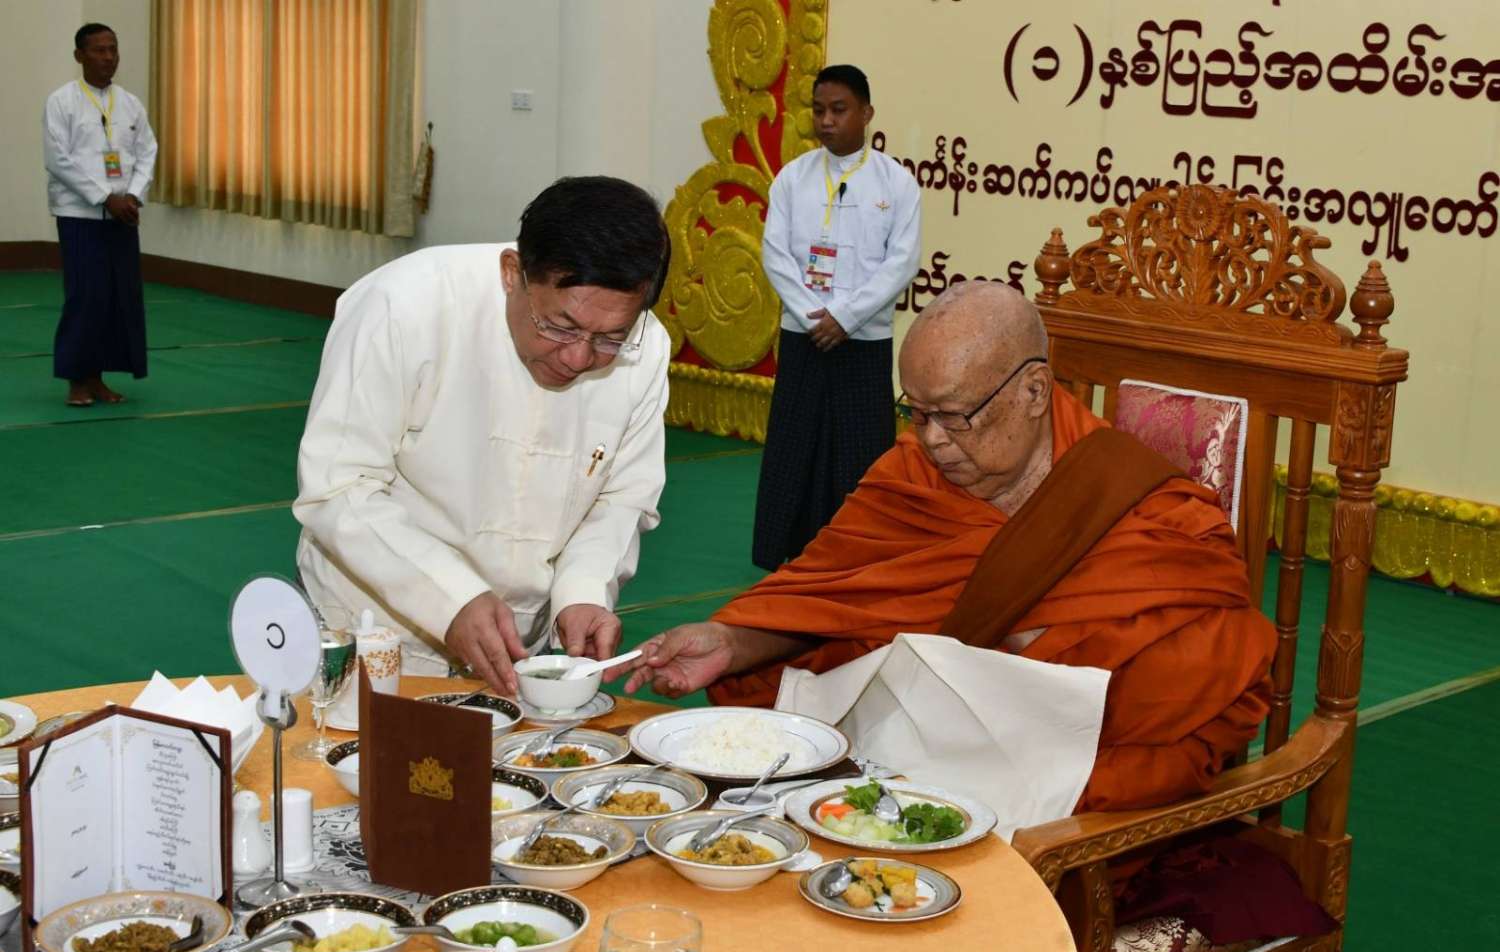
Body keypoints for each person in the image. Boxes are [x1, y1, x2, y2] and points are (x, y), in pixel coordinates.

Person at [619, 283, 1278, 812]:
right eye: (918, 411)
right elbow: (829, 602)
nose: (933, 439)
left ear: (1034, 392)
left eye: (956, 415)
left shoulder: (1152, 517)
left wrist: (1028, 669)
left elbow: (1213, 686)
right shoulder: (911, 481)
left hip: (1054, 783)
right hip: (893, 765)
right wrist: (732, 643)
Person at [295, 176, 672, 696]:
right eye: (559, 326)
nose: (579, 357)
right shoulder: (403, 305)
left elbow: (620, 498)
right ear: (512, 273)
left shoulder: (645, 349)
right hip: (371, 632)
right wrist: (448, 597)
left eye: (610, 338)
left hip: (516, 650)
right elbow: (337, 487)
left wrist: (583, 593)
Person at [753, 64, 921, 570]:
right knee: (795, 444)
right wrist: (815, 317)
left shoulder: (897, 182)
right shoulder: (792, 178)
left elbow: (902, 262)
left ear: (866, 113)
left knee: (860, 450)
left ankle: (857, 554)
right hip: (804, 334)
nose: (827, 121)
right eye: (819, 110)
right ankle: (786, 553)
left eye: (839, 110)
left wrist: (845, 317)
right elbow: (775, 254)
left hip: (862, 339)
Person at [44, 23, 157, 407]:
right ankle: (77, 379)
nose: (108, 57)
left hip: (123, 214)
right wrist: (105, 197)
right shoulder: (62, 101)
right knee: (86, 296)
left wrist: (133, 195)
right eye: (99, 50)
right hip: (79, 214)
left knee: (117, 298)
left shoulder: (129, 103)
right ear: (79, 55)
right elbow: (58, 160)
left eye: (113, 49)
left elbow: (147, 152)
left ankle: (98, 378)